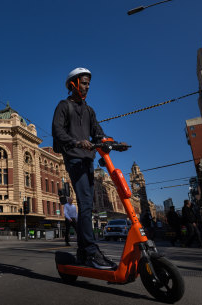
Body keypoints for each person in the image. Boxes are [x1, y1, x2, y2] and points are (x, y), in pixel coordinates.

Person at [52, 67, 128, 270]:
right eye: (83, 83)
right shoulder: (63, 106)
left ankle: (83, 252)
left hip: (88, 161)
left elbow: (98, 133)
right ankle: (91, 252)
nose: (86, 87)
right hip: (74, 159)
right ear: (73, 84)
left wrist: (113, 143)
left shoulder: (89, 111)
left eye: (88, 84)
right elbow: (57, 131)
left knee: (87, 205)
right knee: (85, 205)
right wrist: (77, 142)